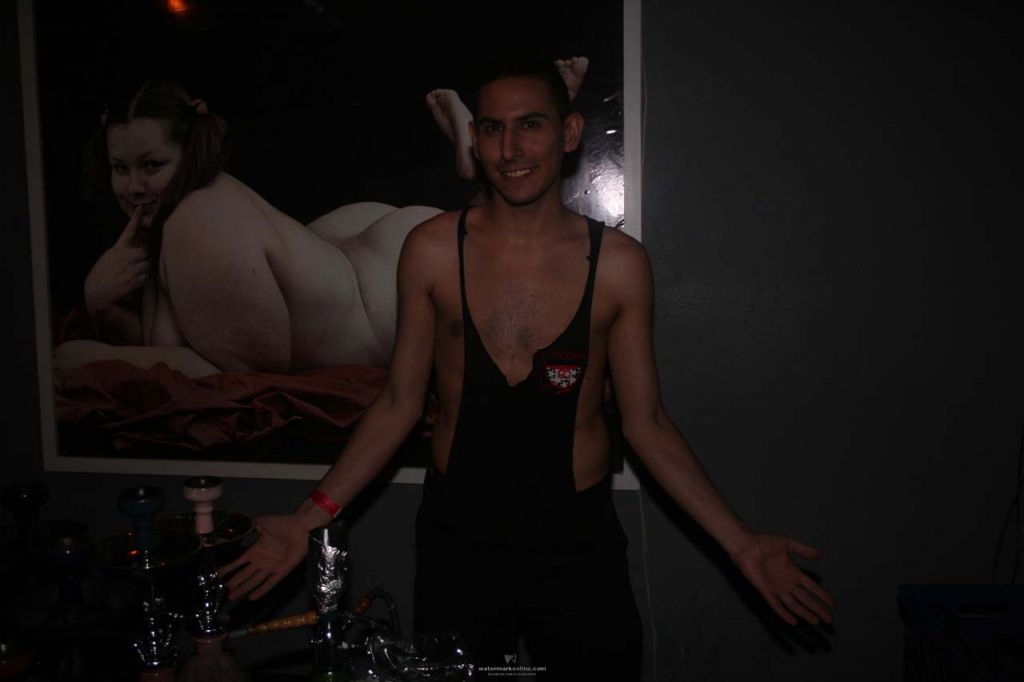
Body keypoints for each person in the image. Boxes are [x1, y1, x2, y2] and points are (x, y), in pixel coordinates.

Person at [220, 55, 834, 680]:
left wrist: (741, 542)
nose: (510, 149)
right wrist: (307, 517)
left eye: (530, 125)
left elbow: (646, 423)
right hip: (459, 542)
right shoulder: (431, 250)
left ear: (569, 133)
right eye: (493, 128)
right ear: (474, 138)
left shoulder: (619, 266)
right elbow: (398, 404)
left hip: (577, 547)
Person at [55, 80, 441, 378]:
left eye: (152, 165)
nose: (133, 187)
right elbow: (170, 343)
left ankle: (462, 141)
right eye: (120, 168)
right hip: (356, 246)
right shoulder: (166, 215)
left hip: (386, 281)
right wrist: (100, 301)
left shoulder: (198, 215)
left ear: (190, 151)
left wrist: (102, 358)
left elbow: (247, 371)